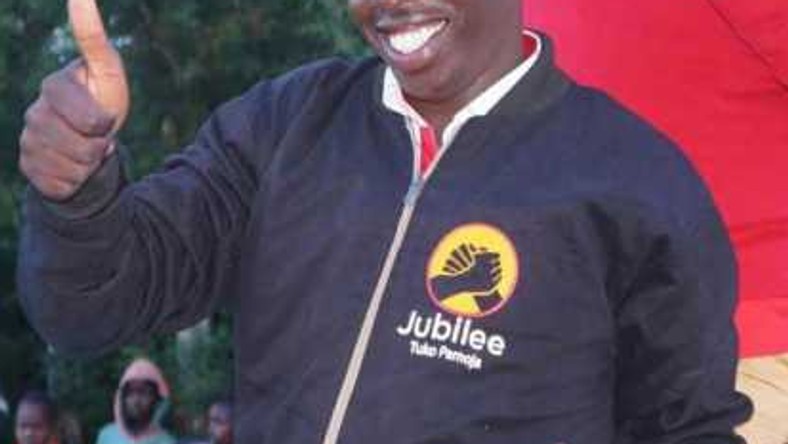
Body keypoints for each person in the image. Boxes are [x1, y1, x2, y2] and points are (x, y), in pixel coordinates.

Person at [16, 0, 753, 441]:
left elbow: (686, 426)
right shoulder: (284, 125)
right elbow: (89, 309)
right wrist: (76, 190)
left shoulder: (636, 181)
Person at [95, 358, 176, 444]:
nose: (136, 401)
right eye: (130, 392)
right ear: (122, 397)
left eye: (144, 393)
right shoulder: (107, 436)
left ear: (156, 400)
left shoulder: (166, 441)